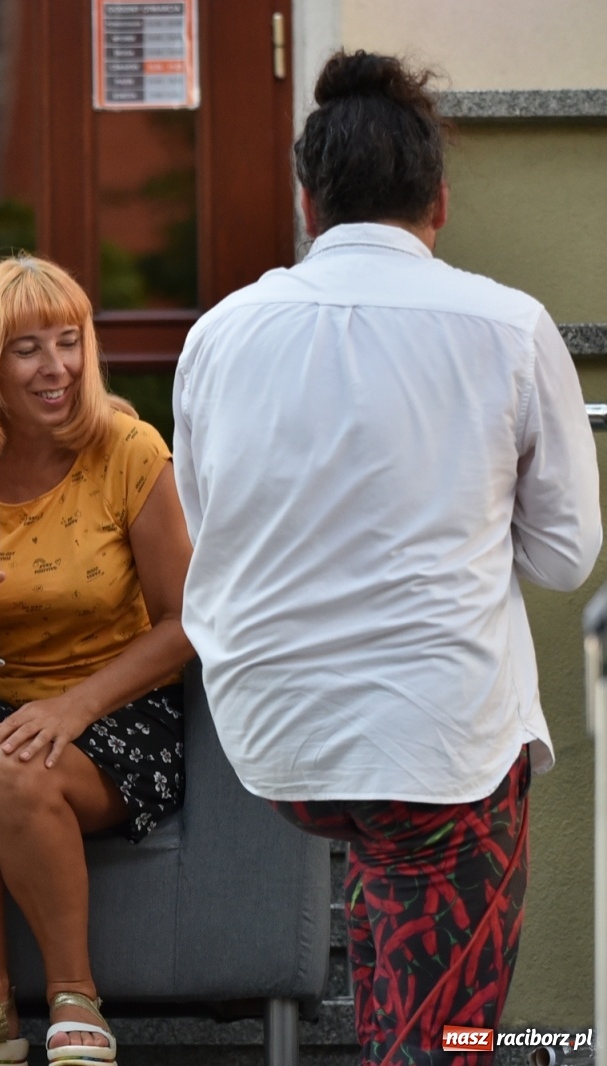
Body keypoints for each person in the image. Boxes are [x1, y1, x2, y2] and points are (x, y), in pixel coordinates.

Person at [172, 51, 601, 1066]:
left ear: (307, 205)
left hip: (277, 738)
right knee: (449, 1032)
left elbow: (209, 520)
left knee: (391, 866)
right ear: (438, 201)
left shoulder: (219, 334)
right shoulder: (508, 326)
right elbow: (564, 556)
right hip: (435, 748)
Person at [0, 255, 195, 1066]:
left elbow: (187, 622)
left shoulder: (129, 450)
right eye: (28, 348)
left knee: (12, 767)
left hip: (122, 701)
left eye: (70, 341)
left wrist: (74, 708)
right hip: (1, 692)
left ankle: (76, 994)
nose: (57, 366)